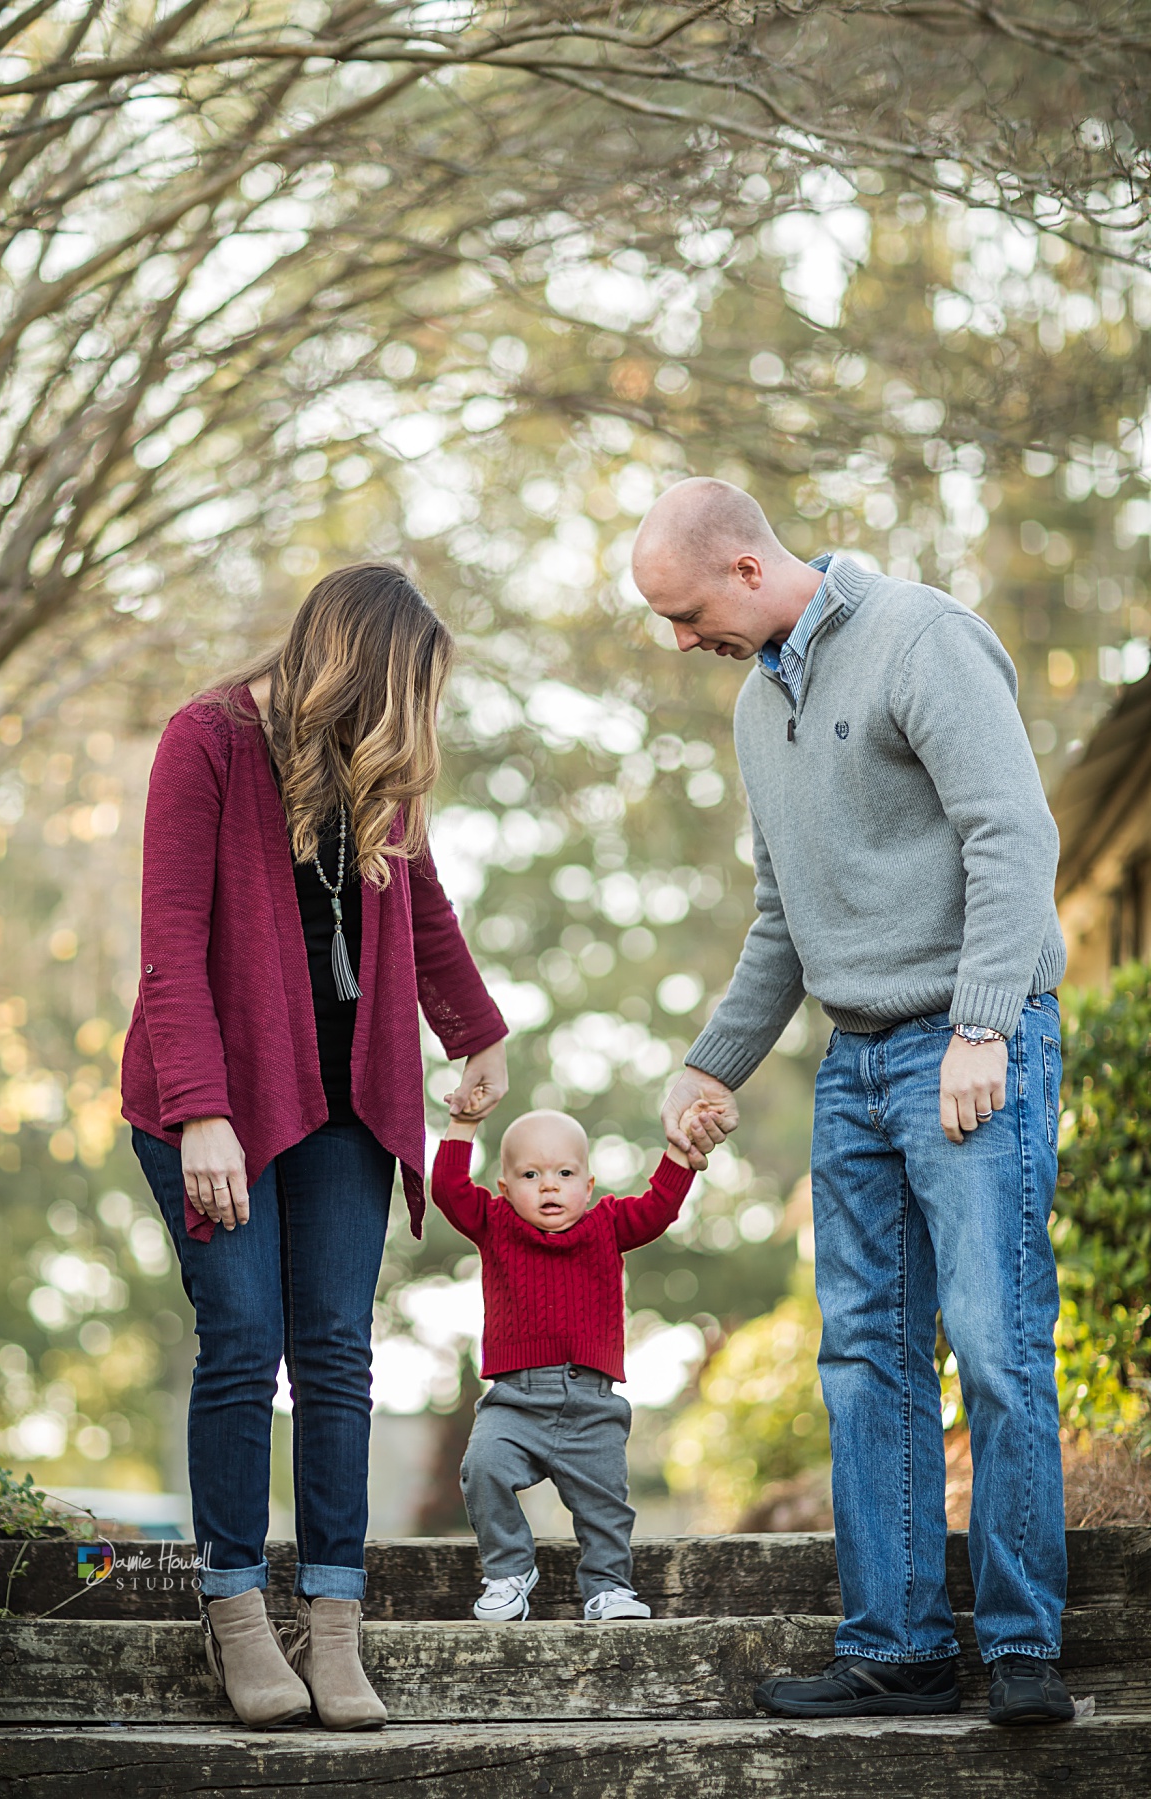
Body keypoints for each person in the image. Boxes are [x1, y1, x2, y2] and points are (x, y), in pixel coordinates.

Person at [632, 478, 1075, 1727]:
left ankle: (1024, 1646)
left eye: (685, 612)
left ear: (746, 569)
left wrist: (983, 1020)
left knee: (994, 1344)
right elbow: (787, 917)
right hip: (856, 1063)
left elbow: (1013, 837)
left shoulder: (920, 639)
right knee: (866, 1360)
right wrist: (713, 1060)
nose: (681, 642)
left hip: (969, 1045)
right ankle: (899, 1643)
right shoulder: (754, 704)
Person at [121, 563, 509, 1729]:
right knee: (243, 1337)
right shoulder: (208, 742)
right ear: (359, 667)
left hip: (348, 1099)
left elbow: (423, 904)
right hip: (216, 1104)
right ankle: (236, 1608)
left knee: (336, 1348)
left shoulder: (377, 776)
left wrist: (476, 1031)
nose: (418, 723)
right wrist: (201, 1111)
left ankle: (333, 1621)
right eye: (408, 692)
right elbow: (169, 944)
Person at [430, 1104, 710, 1622]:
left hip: (591, 1403)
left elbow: (659, 1207)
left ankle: (607, 1587)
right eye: (530, 1175)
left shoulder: (607, 1225)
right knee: (482, 1467)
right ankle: (509, 1570)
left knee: (605, 1505)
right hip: (514, 1402)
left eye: (564, 1174)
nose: (549, 1187)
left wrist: (680, 1153)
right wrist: (464, 1124)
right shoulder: (495, 1224)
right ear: (505, 1187)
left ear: (589, 1183)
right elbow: (447, 1189)